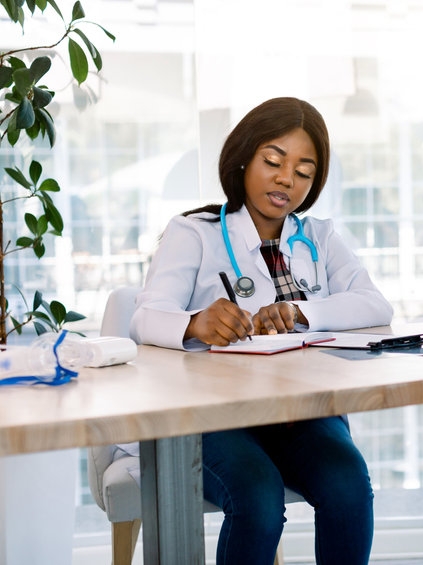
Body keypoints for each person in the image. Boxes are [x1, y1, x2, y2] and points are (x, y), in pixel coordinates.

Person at [129, 97, 392, 565]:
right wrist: (195, 322)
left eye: (304, 171)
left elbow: (374, 304)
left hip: (303, 414)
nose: (286, 178)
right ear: (245, 157)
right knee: (258, 499)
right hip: (217, 419)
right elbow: (145, 317)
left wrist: (300, 311)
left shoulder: (320, 237)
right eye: (273, 160)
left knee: (349, 487)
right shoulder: (195, 232)